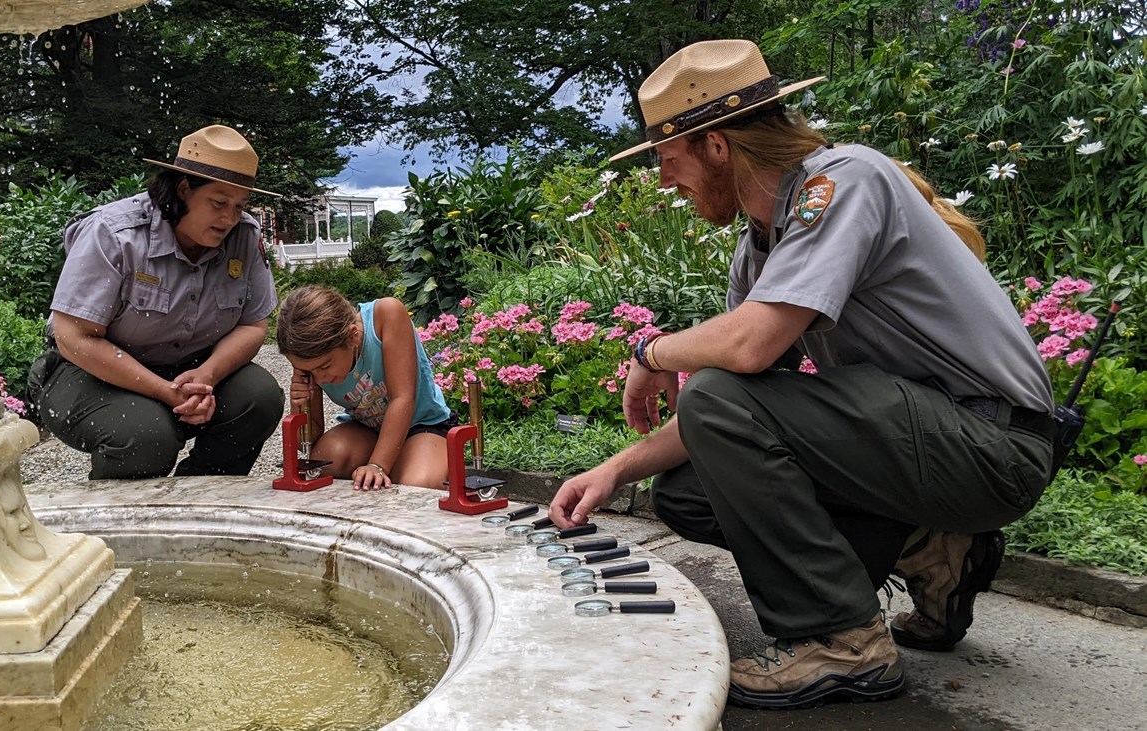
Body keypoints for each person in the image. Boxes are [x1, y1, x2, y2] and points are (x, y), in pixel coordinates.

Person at [548, 40, 1055, 710]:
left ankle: (841, 639)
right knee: (690, 492)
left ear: (717, 147)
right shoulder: (759, 246)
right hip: (920, 444)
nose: (665, 179)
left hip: (996, 445)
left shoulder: (843, 182)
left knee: (720, 402)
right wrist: (615, 468)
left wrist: (652, 353)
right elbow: (727, 411)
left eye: (668, 159)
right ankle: (933, 544)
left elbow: (749, 355)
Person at [27, 125, 285, 480]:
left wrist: (207, 376)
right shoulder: (113, 234)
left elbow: (253, 325)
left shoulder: (245, 237)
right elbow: (74, 337)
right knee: (146, 434)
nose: (229, 219)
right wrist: (167, 393)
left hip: (189, 368)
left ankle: (198, 497)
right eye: (218, 202)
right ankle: (120, 526)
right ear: (183, 189)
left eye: (239, 206)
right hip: (88, 371)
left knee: (260, 398)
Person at [274, 285, 456, 490]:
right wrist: (299, 404)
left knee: (418, 486)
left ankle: (409, 463)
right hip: (367, 429)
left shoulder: (386, 317)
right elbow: (308, 441)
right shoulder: (310, 359)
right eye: (309, 371)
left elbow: (402, 398)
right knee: (324, 461)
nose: (320, 378)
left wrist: (377, 465)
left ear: (353, 336)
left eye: (325, 366)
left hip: (422, 425)